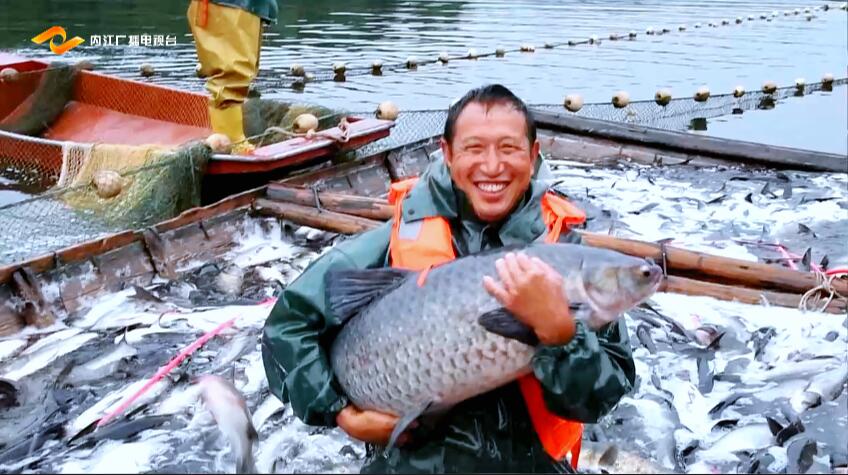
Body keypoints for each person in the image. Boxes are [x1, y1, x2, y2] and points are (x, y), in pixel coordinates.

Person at [261, 84, 636, 473]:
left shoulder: (569, 258)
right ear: (448, 153)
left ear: (533, 155)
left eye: (509, 148)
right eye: (474, 149)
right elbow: (287, 327)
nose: (492, 166)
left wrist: (562, 336)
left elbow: (600, 398)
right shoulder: (389, 243)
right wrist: (342, 413)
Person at [186, 0, 278, 154]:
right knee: (232, 74)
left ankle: (232, 139)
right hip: (229, 6)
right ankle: (231, 143)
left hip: (242, 6)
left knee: (241, 72)